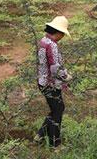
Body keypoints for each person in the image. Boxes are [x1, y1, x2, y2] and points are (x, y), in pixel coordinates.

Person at [35, 16, 71, 148]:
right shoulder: (52, 45)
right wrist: (66, 76)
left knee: (56, 109)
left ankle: (40, 134)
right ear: (59, 32)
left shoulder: (43, 41)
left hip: (42, 82)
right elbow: (55, 68)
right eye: (62, 34)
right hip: (51, 84)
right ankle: (55, 144)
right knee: (58, 111)